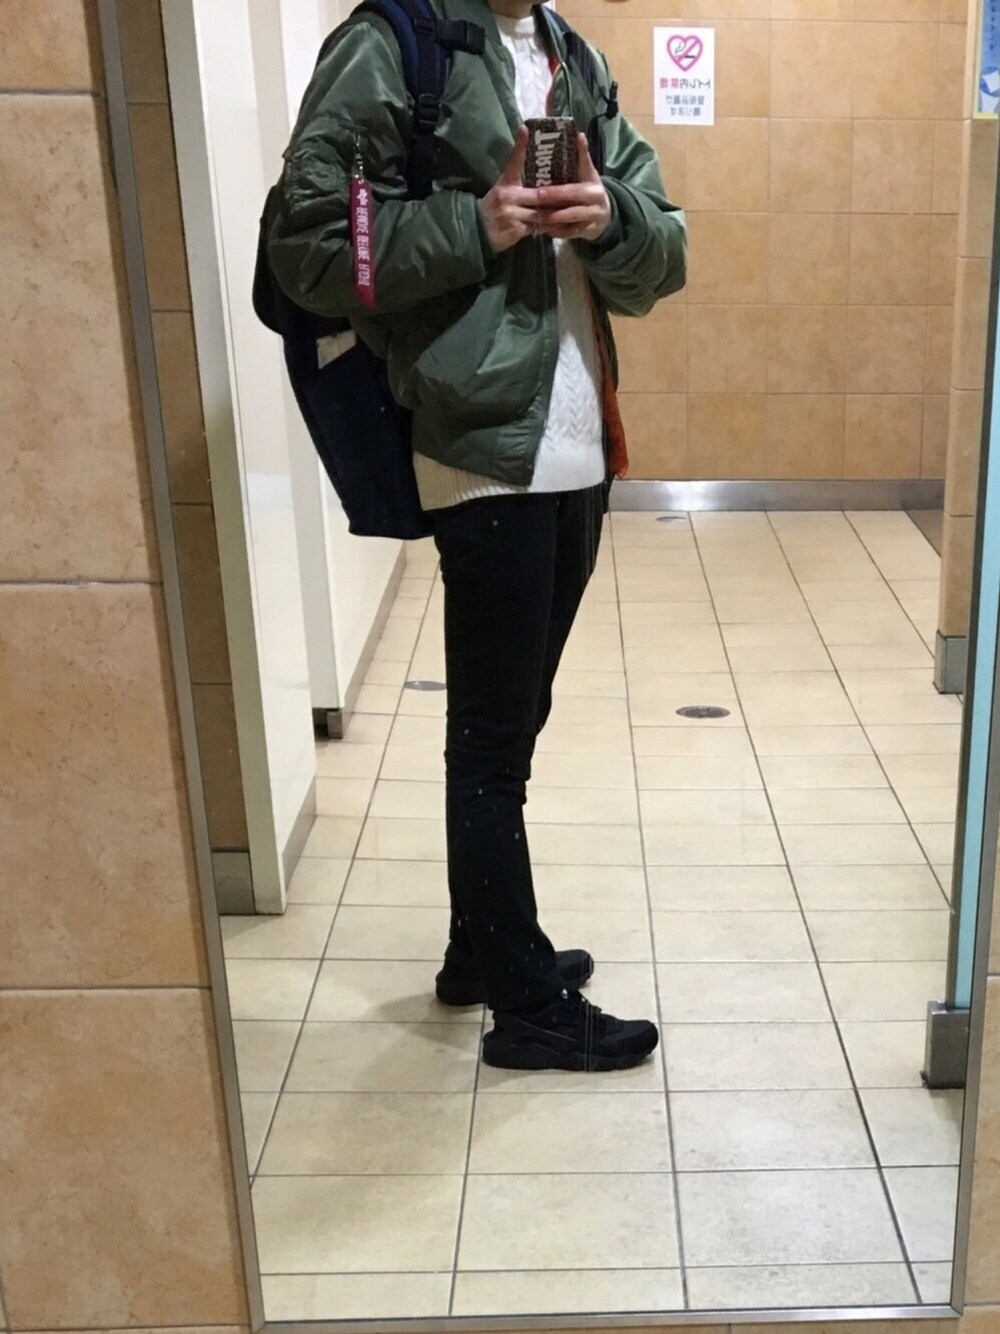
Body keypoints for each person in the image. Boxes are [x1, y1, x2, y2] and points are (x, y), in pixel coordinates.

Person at [267, 0, 686, 1071]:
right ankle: (527, 1005)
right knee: (492, 743)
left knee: (517, 716)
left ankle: (478, 946)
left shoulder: (572, 56)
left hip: (582, 442)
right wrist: (478, 223)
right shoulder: (387, 46)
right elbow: (310, 249)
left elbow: (667, 249)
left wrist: (608, 217)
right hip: (477, 444)